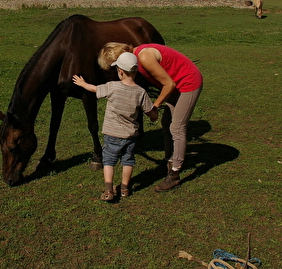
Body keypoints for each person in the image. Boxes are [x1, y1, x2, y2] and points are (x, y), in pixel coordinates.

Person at [98, 42, 203, 192]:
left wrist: (155, 106)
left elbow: (169, 84)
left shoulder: (145, 57)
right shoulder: (137, 57)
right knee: (166, 122)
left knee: (177, 127)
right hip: (175, 84)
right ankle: (169, 162)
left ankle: (174, 174)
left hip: (188, 83)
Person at [73, 52, 157, 201]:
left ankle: (108, 190)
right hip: (131, 136)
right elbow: (151, 113)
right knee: (128, 161)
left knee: (109, 161)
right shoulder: (141, 92)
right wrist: (154, 115)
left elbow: (94, 89)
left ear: (120, 71)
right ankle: (124, 188)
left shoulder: (112, 87)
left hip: (112, 135)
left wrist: (82, 84)